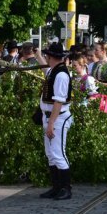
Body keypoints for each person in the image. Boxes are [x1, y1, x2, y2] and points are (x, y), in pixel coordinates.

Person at [37, 42, 73, 200]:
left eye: (46, 55)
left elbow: (59, 101)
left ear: (51, 57)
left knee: (58, 153)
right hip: (49, 116)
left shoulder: (61, 75)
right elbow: (46, 71)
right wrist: (37, 55)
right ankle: (56, 187)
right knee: (50, 153)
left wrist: (51, 123)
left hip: (58, 117)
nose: (45, 57)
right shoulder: (54, 71)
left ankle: (66, 188)